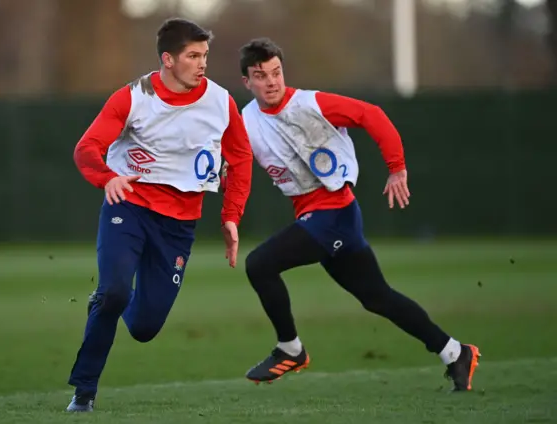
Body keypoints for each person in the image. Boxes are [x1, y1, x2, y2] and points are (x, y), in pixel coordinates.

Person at [231, 37, 480, 391]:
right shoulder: (248, 120)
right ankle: (455, 352)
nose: (271, 81)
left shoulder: (310, 103)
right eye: (260, 75)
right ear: (247, 82)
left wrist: (397, 167)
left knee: (259, 264)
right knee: (377, 297)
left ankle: (291, 349)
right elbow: (235, 159)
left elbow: (371, 115)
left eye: (276, 72)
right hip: (320, 216)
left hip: (334, 212)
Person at [66, 18, 253, 412]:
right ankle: (84, 391)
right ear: (168, 59)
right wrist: (106, 179)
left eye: (205, 55)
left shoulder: (220, 102)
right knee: (114, 291)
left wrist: (231, 216)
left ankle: (106, 302)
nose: (202, 64)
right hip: (128, 209)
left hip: (179, 225)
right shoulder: (132, 97)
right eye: (193, 56)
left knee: (145, 328)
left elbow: (240, 159)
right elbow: (87, 148)